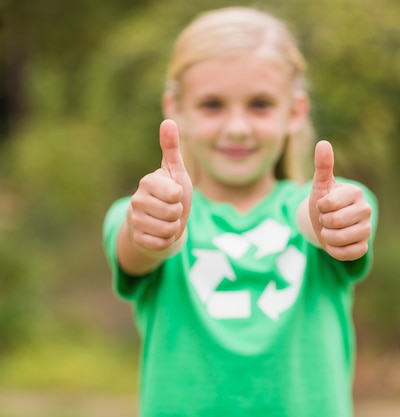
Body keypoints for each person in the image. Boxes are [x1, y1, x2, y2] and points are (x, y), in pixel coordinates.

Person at [103, 6, 377, 417]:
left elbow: (313, 221)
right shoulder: (143, 213)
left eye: (260, 105)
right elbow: (140, 247)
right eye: (212, 105)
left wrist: (327, 222)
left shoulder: (333, 204)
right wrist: (158, 230)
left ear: (296, 111)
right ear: (175, 109)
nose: (237, 127)